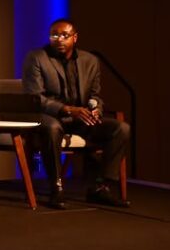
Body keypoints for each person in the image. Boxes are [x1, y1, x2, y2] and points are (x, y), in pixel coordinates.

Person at [22, 18, 130, 209]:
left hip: (80, 117)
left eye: (65, 35)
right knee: (52, 128)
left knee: (121, 129)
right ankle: (56, 188)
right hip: (51, 116)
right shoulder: (37, 58)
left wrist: (95, 109)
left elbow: (95, 95)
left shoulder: (90, 61)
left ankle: (100, 187)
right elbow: (35, 97)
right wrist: (67, 109)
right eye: (54, 35)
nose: (59, 39)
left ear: (75, 37)